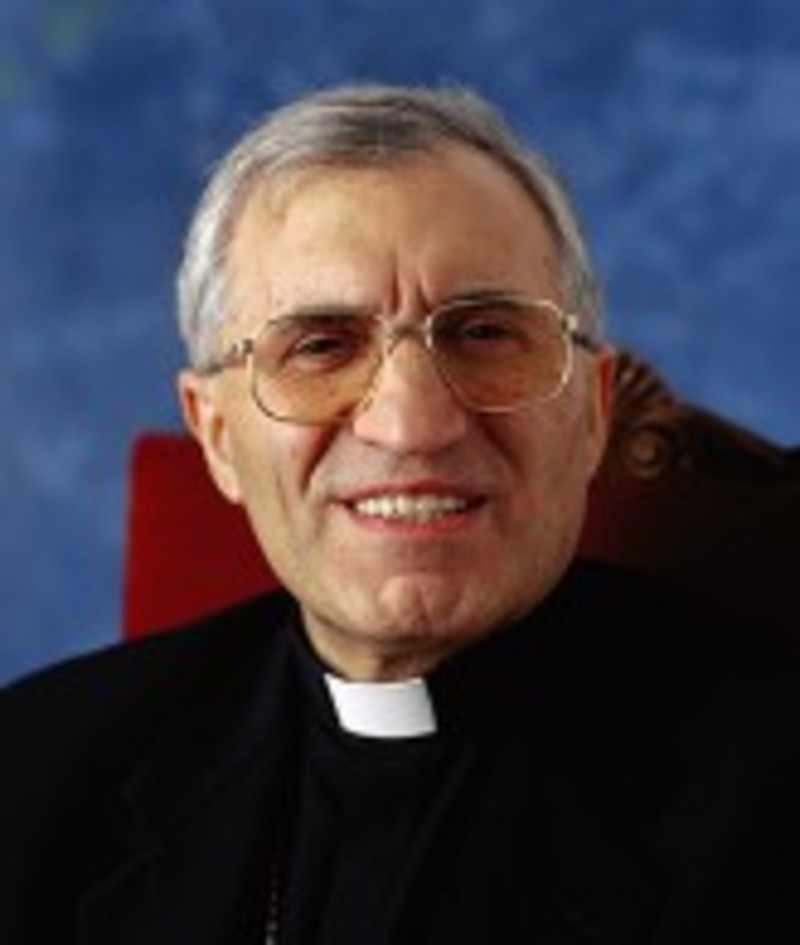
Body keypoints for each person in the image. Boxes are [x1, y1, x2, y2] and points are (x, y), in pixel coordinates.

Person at [2, 82, 799, 944]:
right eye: (321, 345)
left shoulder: (775, 788)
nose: (413, 423)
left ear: (592, 412)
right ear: (219, 435)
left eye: (484, 333)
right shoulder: (36, 770)